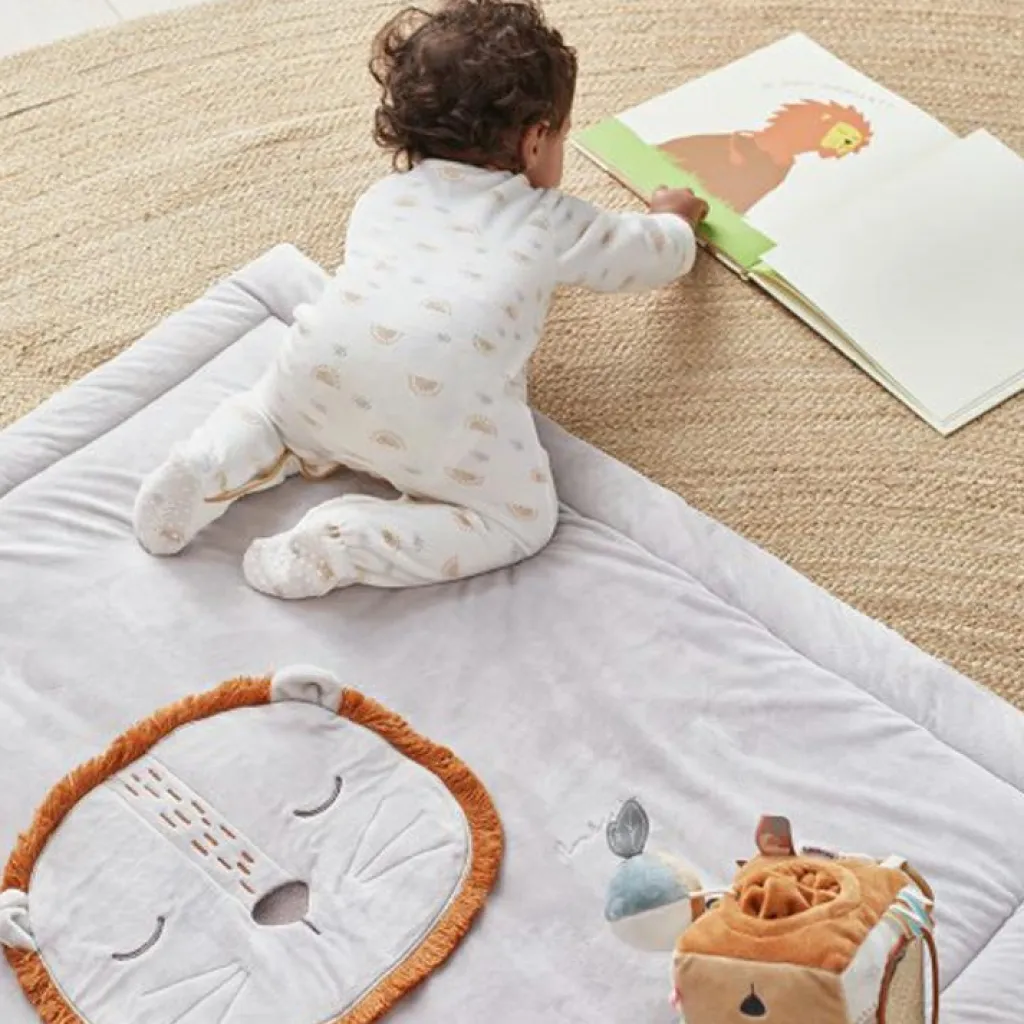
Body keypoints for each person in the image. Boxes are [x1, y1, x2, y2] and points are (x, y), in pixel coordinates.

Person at [133, 0, 709, 599]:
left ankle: (207, 464)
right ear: (537, 139)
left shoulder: (383, 199)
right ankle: (346, 541)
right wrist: (673, 220)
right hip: (439, 416)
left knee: (269, 419)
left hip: (318, 374)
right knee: (520, 521)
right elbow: (647, 257)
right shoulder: (549, 219)